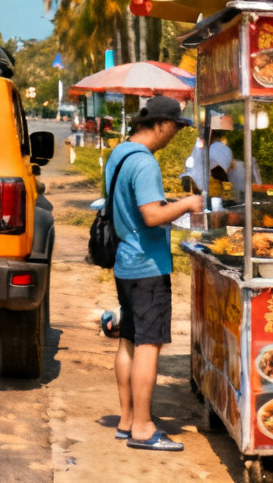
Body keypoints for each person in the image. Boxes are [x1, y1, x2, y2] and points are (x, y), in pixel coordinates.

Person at [103, 95, 204, 452]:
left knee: (129, 340)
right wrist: (187, 204)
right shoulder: (145, 162)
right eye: (175, 127)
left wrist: (168, 203)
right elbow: (151, 215)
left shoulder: (120, 153)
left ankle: (127, 419)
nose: (174, 135)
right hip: (147, 266)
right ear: (160, 124)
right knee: (149, 344)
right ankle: (144, 428)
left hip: (125, 262)